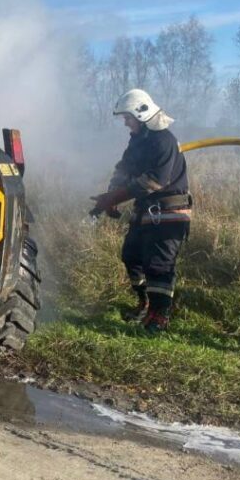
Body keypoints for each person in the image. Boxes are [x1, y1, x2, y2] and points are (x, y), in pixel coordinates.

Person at [90, 89, 192, 334]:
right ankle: (145, 304)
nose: (125, 123)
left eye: (128, 118)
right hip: (146, 211)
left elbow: (155, 181)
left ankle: (159, 316)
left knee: (159, 265)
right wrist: (111, 195)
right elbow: (124, 169)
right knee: (131, 256)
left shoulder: (163, 140)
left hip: (169, 212)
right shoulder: (138, 140)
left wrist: (116, 196)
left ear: (142, 114)